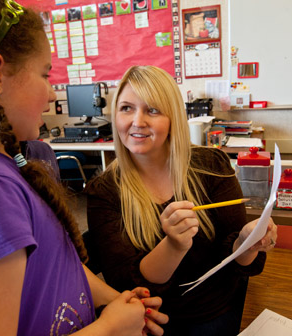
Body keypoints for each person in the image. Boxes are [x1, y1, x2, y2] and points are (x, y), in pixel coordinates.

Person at [0, 1, 168, 335]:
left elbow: (50, 261)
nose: (51, 90)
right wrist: (110, 329)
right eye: (45, 73)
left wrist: (116, 302)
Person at [85, 65, 278, 336]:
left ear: (173, 118)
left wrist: (247, 242)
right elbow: (124, 286)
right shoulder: (104, 191)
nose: (137, 121)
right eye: (126, 108)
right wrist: (174, 245)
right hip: (153, 324)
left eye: (152, 110)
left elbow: (235, 261)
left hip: (219, 312)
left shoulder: (211, 165)